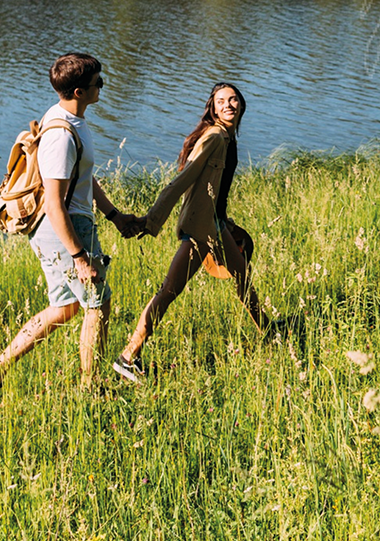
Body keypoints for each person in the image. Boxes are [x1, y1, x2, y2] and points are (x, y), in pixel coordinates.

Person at [0, 52, 140, 410]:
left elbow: (82, 176)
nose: (103, 87)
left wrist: (113, 215)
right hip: (62, 227)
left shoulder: (67, 117)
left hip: (71, 222)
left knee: (64, 309)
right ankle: (92, 389)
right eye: (98, 83)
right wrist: (79, 256)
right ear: (79, 91)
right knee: (98, 303)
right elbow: (54, 204)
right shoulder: (61, 135)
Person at [111, 82, 266, 383]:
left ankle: (269, 331)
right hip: (201, 231)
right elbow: (182, 182)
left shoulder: (227, 139)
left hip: (216, 226)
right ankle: (129, 356)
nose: (228, 105)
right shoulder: (215, 138)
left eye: (233, 99)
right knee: (169, 290)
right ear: (212, 107)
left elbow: (213, 193)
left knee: (243, 278)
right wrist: (150, 220)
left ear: (242, 105)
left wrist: (227, 223)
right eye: (221, 101)